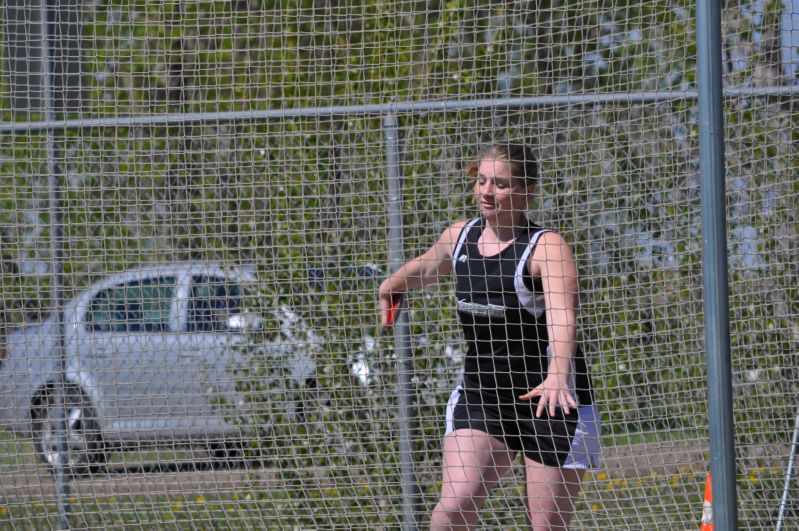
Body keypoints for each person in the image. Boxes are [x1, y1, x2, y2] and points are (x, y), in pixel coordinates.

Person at [378, 142, 600, 530]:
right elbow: (428, 268)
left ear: (527, 191)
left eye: (500, 184)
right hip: (484, 393)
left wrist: (557, 376)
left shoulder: (546, 247)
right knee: (455, 504)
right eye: (481, 181)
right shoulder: (460, 236)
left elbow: (564, 317)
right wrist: (391, 285)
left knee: (546, 525)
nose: (486, 191)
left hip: (549, 398)